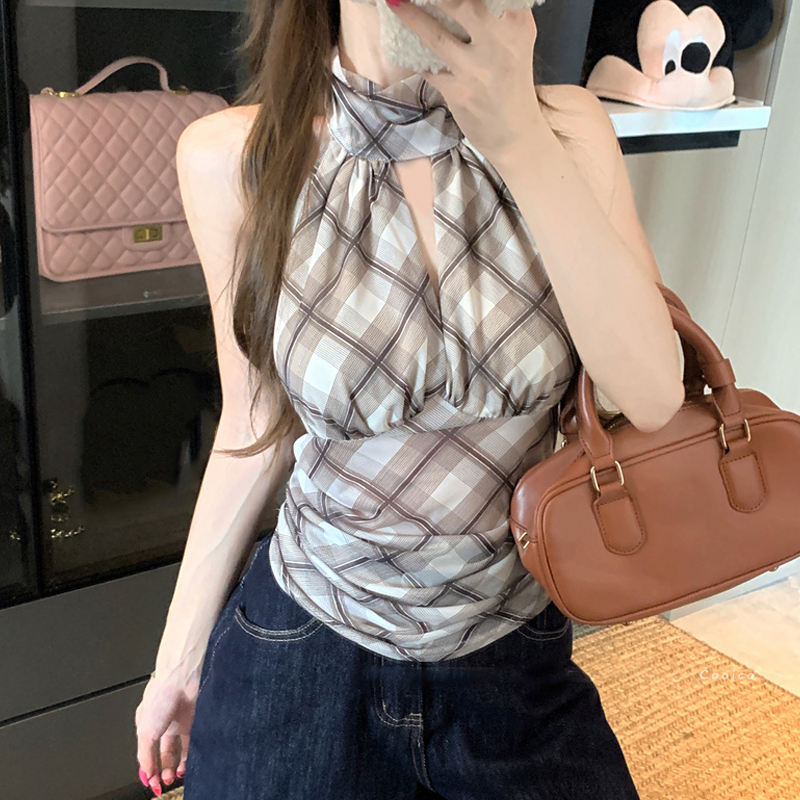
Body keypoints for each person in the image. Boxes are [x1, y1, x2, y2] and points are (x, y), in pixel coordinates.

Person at [135, 0, 686, 797]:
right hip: (303, 650)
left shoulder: (568, 130)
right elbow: (252, 422)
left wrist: (519, 140)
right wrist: (177, 660)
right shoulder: (234, 157)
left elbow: (653, 395)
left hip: (513, 653)